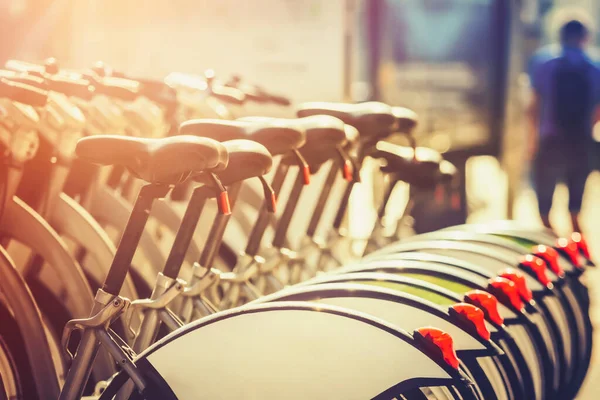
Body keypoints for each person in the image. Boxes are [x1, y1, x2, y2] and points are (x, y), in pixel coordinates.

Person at [527, 17, 600, 233]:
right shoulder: (595, 67)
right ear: (585, 38)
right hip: (581, 141)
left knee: (544, 206)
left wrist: (531, 143)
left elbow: (533, 107)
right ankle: (577, 249)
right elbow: (597, 111)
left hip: (550, 140)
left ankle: (552, 245)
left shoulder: (543, 63)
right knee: (576, 206)